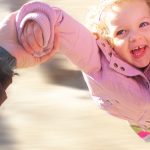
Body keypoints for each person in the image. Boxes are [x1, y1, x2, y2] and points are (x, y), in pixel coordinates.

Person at [1, 0, 150, 141]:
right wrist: (43, 19)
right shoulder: (99, 63)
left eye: (143, 24)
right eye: (121, 32)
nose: (135, 37)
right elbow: (64, 27)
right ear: (108, 41)